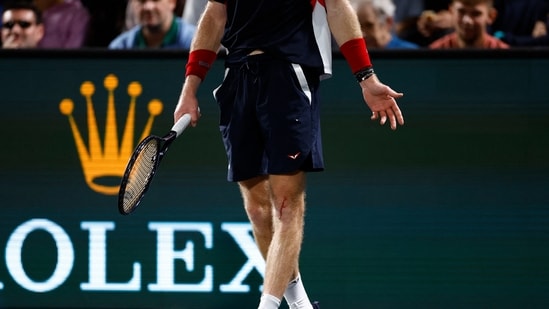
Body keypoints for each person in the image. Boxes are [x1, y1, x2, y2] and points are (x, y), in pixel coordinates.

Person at [173, 0, 404, 308]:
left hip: (288, 76)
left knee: (286, 204)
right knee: (257, 210)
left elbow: (337, 7)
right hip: (238, 79)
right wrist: (189, 88)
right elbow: (215, 15)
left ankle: (267, 305)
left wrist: (366, 76)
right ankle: (300, 305)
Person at [109, 0, 195, 49]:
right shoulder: (120, 47)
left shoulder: (196, 42)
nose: (148, 7)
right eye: (141, 1)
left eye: (155, 0)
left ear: (172, 2)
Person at [429, 0, 509, 48]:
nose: (467, 21)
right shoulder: (434, 53)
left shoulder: (506, 57)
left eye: (476, 14)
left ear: (491, 16)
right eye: (461, 12)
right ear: (451, 12)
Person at [351, 0, 419, 48]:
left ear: (388, 22)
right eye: (357, 27)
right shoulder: (350, 57)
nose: (362, 34)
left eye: (369, 26)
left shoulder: (411, 55)